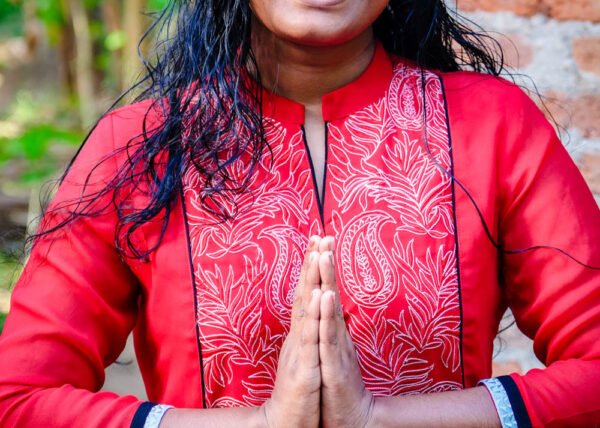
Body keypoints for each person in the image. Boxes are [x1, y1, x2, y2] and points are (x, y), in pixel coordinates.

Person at [0, 0, 599, 427]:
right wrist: (259, 423)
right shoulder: (140, 145)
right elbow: (19, 397)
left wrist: (378, 418)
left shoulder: (492, 126)